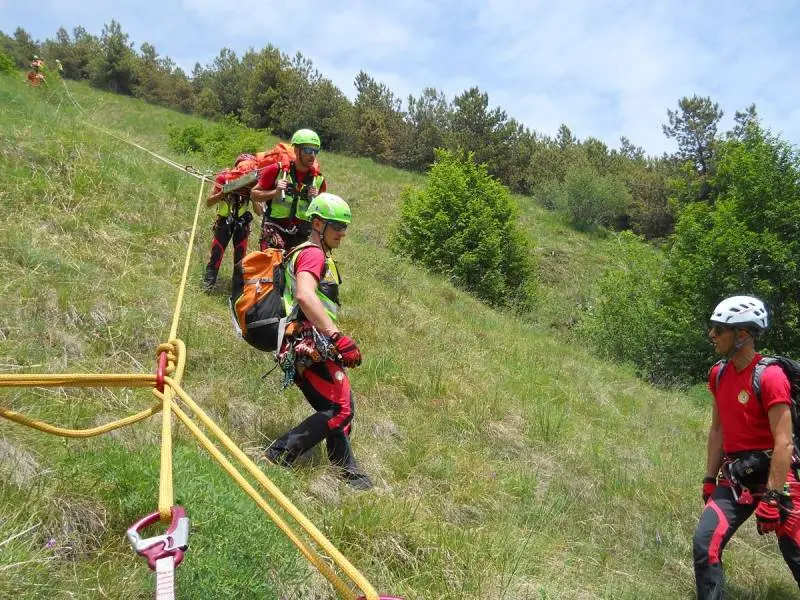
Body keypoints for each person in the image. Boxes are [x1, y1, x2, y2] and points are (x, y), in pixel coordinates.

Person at [693, 295, 800, 598]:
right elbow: (718, 428)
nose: (711, 335)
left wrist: (771, 497)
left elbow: (784, 441)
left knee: (795, 552)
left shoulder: (770, 376)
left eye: (719, 328)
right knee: (705, 543)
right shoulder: (718, 373)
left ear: (742, 335)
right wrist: (709, 479)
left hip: (777, 478)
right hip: (736, 477)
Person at [264, 192, 372, 491]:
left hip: (309, 342)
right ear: (317, 224)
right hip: (307, 344)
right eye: (337, 225)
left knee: (338, 403)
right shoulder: (312, 253)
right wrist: (337, 336)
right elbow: (304, 294)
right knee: (340, 409)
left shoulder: (312, 252)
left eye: (345, 226)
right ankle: (277, 455)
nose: (343, 232)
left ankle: (345, 469)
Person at [250, 129, 326, 252]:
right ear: (296, 150)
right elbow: (254, 195)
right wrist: (275, 192)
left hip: (302, 234)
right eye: (307, 150)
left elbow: (323, 215)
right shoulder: (276, 170)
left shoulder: (318, 180)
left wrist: (317, 200)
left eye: (315, 151)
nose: (312, 155)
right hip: (275, 229)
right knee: (272, 268)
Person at [202, 156, 254, 292]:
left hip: (242, 225)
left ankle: (237, 292)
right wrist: (222, 193)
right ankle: (207, 287)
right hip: (224, 223)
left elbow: (259, 211)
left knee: (240, 259)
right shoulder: (223, 178)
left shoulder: (252, 183)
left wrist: (253, 195)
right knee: (216, 254)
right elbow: (208, 202)